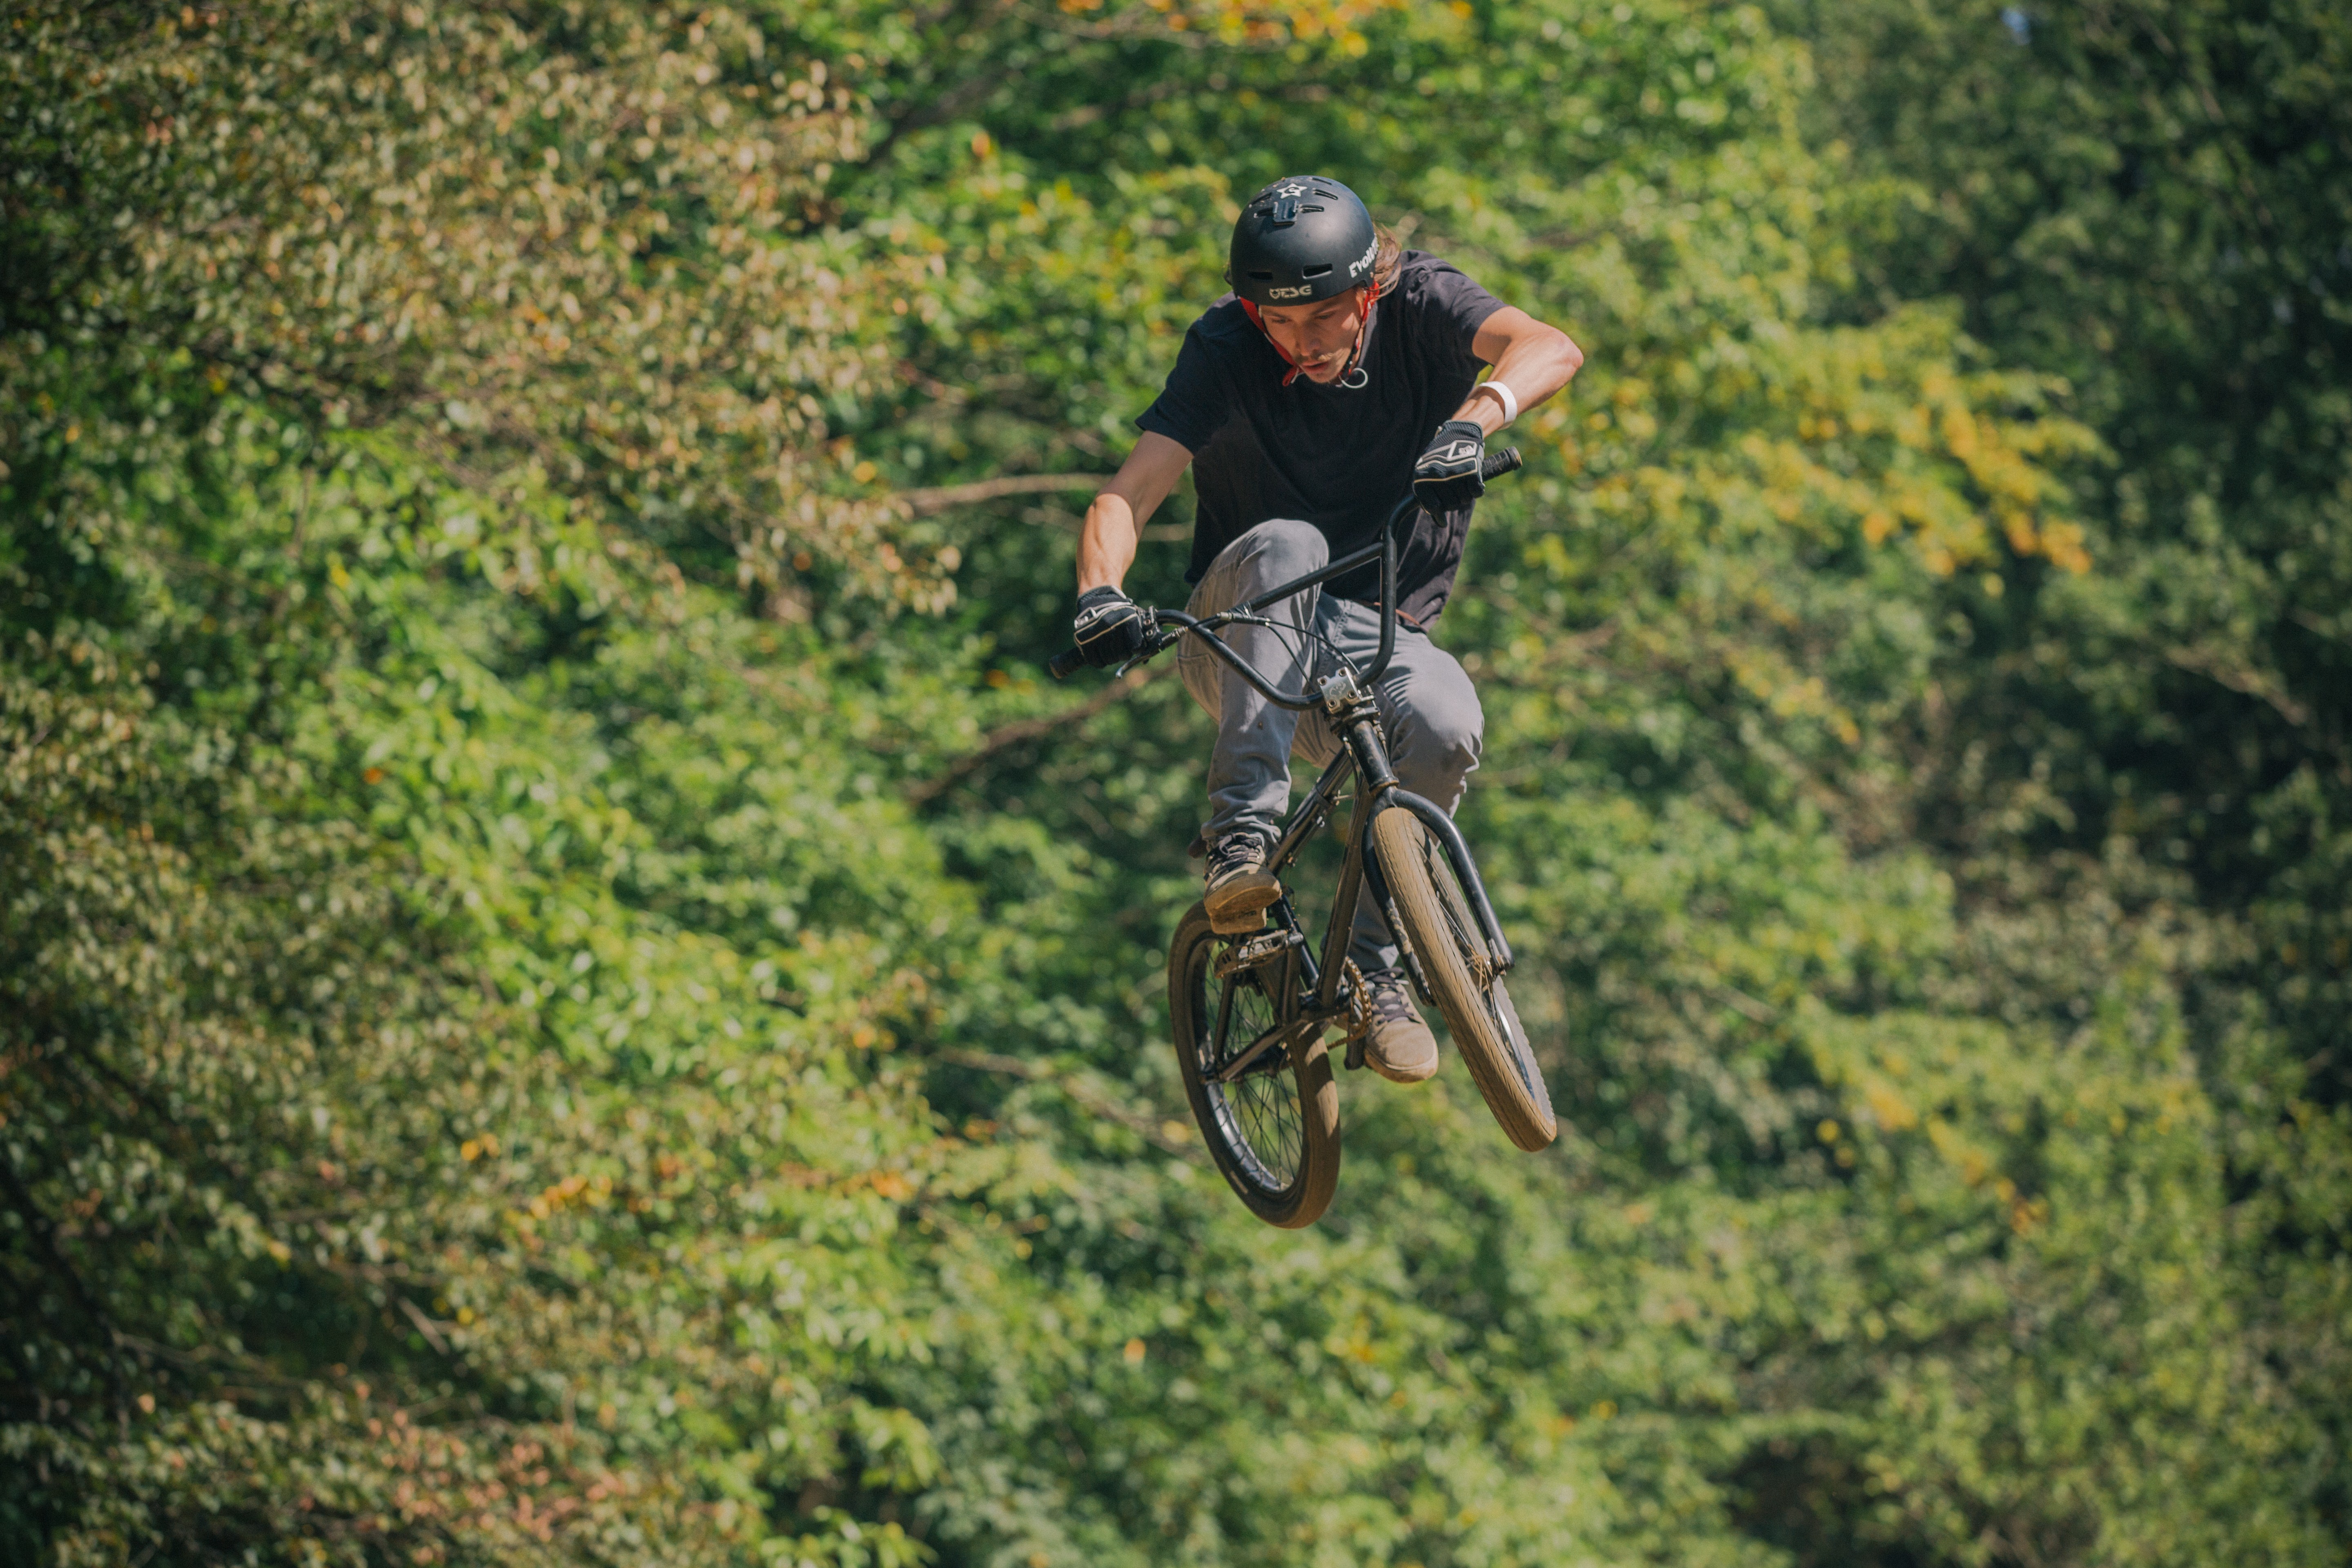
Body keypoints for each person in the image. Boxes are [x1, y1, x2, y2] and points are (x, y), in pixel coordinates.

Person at [1069, 175, 1583, 1085]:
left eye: (1320, 320)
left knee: (1445, 723)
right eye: (1277, 321)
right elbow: (1129, 491)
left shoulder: (1423, 302)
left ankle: (1376, 972)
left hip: (1372, 633)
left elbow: (1550, 346)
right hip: (1243, 631)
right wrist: (1100, 593)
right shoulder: (1225, 346)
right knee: (1290, 542)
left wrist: (1473, 422)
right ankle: (1239, 843)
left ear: (1367, 293)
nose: (1298, 343)